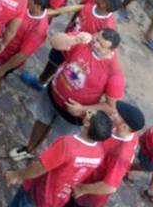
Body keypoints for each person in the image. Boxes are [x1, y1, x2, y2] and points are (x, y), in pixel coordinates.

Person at [9, 29, 124, 162]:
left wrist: (82, 109)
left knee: (61, 141)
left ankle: (46, 163)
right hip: (53, 94)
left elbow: (111, 107)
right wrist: (74, 40)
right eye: (96, 38)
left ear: (111, 50)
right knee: (41, 122)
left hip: (73, 114)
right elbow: (54, 42)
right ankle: (28, 149)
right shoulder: (84, 40)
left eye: (101, 45)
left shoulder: (114, 74)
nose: (95, 43)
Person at [6, 110, 113, 207]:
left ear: (87, 123)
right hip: (58, 199)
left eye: (90, 114)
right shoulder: (100, 153)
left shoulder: (66, 145)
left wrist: (16, 175)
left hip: (37, 193)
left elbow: (40, 167)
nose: (88, 111)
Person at [73, 101, 146, 207]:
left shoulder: (121, 155)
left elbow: (109, 186)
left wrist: (82, 189)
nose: (114, 113)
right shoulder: (125, 131)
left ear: (124, 127)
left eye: (118, 114)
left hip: (86, 195)